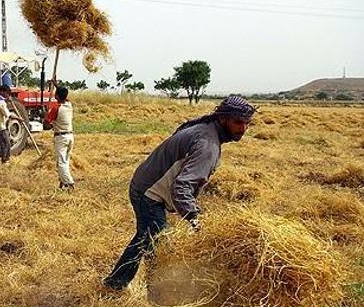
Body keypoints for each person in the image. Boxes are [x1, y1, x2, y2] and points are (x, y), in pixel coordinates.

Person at [102, 95, 257, 292]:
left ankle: (120, 283)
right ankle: (152, 292)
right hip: (149, 193)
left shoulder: (206, 130)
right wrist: (195, 219)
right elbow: (181, 186)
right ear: (223, 118)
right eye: (238, 122)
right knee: (157, 245)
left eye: (247, 123)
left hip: (144, 184)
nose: (242, 129)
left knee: (146, 239)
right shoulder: (207, 144)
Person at [45, 86, 75, 190]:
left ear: (56, 95)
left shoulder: (56, 108)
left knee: (61, 162)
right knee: (65, 161)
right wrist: (56, 85)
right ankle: (63, 182)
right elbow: (64, 96)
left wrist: (46, 117)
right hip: (70, 136)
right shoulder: (69, 105)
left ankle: (69, 183)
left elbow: (46, 126)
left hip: (61, 138)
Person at [0, 84, 20, 163]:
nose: (8, 95)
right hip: (1, 126)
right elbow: (8, 114)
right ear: (2, 92)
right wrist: (19, 118)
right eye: (7, 93)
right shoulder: (1, 102)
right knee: (7, 144)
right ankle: (5, 160)